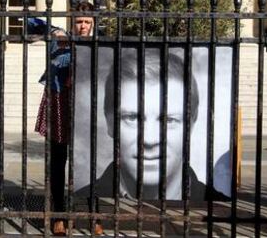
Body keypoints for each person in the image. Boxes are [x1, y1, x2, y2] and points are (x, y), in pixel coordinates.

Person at [77, 50, 229, 201]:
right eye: (132, 118)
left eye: (168, 120)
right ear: (110, 122)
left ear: (191, 125)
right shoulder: (79, 205)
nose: (149, 140)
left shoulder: (220, 210)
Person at [32, 1, 103, 235]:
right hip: (60, 100)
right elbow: (30, 22)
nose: (83, 27)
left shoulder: (99, 43)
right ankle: (59, 215)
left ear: (94, 23)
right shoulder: (59, 38)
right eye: (79, 22)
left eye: (87, 22)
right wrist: (54, 31)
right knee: (58, 159)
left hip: (88, 105)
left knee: (91, 162)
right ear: (73, 21)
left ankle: (95, 216)